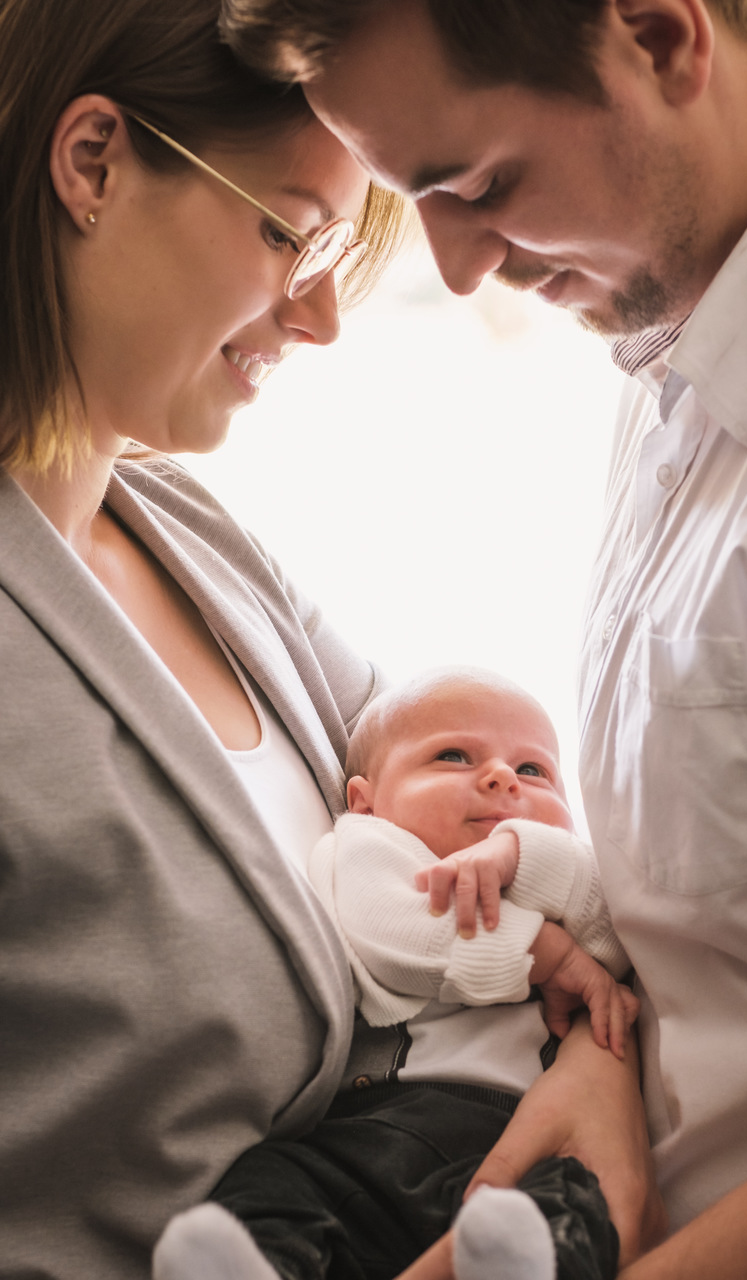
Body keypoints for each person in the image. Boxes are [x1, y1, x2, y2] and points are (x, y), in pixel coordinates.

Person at [214, 1, 747, 1277]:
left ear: (663, 38)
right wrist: (593, 1066)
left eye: (481, 184)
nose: (455, 268)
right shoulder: (687, 314)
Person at [0, 0, 415, 1275]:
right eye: (289, 232)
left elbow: (453, 799)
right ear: (94, 163)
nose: (321, 317)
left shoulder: (190, 528)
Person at [153, 666, 641, 1280]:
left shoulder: (568, 872)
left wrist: (518, 852)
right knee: (277, 1179)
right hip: (384, 1123)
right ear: (367, 800)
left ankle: (513, 1267)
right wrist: (545, 954)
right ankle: (264, 1266)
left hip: (531, 1130)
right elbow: (394, 936)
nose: (500, 778)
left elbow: (612, 934)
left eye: (533, 770)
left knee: (574, 1202)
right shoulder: (368, 849)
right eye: (454, 755)